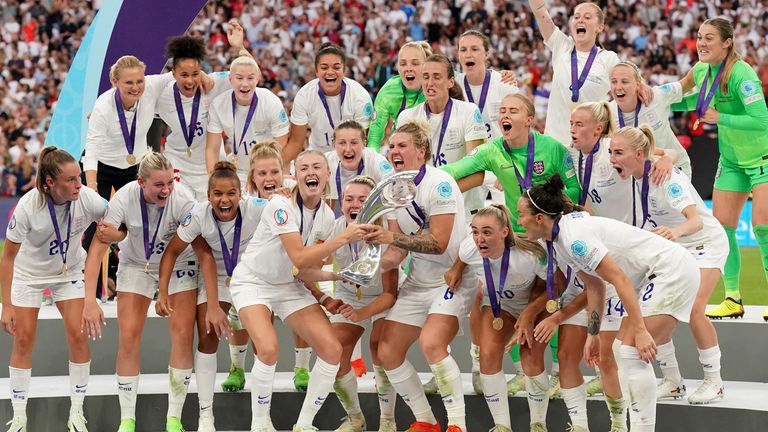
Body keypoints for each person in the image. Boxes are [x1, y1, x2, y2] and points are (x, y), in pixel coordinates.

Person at [517, 174, 699, 432]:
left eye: (521, 215)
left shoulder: (574, 238)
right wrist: (593, 334)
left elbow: (619, 279)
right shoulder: (561, 239)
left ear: (539, 218)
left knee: (630, 351)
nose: (518, 221)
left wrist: (640, 329)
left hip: (670, 270)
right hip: (661, 272)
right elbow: (595, 286)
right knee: (623, 351)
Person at [227, 150, 365, 432]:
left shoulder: (326, 216)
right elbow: (299, 257)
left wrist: (334, 279)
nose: (310, 172)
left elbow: (303, 270)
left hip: (289, 284)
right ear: (296, 176)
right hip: (253, 282)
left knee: (332, 350)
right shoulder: (280, 204)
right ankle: (260, 425)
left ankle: (303, 425)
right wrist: (343, 238)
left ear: (327, 174)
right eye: (304, 168)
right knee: (268, 349)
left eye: (317, 167)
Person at [361, 120, 477, 432]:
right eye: (391, 146)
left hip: (452, 278)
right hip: (418, 280)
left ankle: (457, 424)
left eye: (402, 146)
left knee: (431, 343)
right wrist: (368, 269)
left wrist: (391, 239)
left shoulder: (440, 183)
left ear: (421, 151)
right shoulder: (391, 188)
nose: (394, 151)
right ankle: (426, 420)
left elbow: (438, 244)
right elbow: (397, 252)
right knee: (387, 351)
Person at [610, 125, 729, 404]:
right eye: (611, 152)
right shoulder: (637, 172)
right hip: (673, 249)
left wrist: (674, 233)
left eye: (618, 153)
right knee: (657, 308)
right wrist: (668, 155)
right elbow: (664, 151)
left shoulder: (667, 178)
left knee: (695, 310)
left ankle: (715, 382)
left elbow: (695, 221)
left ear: (639, 154)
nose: (612, 159)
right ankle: (674, 382)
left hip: (705, 244)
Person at [81, 152, 198, 432]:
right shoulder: (123, 198)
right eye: (158, 184)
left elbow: (201, 243)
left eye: (169, 182)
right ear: (141, 182)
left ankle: (174, 419)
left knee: (183, 336)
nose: (166, 190)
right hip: (136, 264)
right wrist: (89, 300)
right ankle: (127, 420)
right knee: (129, 337)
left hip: (179, 262)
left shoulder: (184, 199)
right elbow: (97, 249)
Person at [1, 147, 108, 432]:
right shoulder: (28, 206)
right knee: (24, 341)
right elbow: (8, 258)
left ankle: (76, 412)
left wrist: (115, 235)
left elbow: (116, 219)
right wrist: (7, 305)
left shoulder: (86, 197)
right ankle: (19, 417)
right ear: (50, 182)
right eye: (71, 180)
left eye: (79, 177)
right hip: (28, 276)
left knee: (79, 336)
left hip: (68, 272)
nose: (78, 184)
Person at [155, 161, 265, 431]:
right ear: (208, 196)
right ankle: (206, 416)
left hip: (250, 276)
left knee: (264, 338)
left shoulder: (256, 208)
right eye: (217, 194)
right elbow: (171, 251)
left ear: (241, 194)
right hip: (215, 277)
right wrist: (163, 291)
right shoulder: (198, 215)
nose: (224, 200)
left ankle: (263, 418)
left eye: (231, 193)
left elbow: (288, 212)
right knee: (207, 336)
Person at [670, 18, 768, 321]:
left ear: (727, 42)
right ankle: (732, 298)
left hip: (763, 159)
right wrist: (654, 100)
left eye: (709, 37)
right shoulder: (702, 70)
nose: (701, 43)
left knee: (763, 228)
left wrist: (719, 118)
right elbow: (687, 99)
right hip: (731, 162)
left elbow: (762, 120)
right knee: (722, 230)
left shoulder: (742, 73)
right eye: (699, 36)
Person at [445, 204, 552, 432]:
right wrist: (456, 270)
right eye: (475, 231)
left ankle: (538, 424)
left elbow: (553, 288)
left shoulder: (531, 254)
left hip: (535, 305)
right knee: (488, 357)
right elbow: (462, 259)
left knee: (531, 359)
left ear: (504, 232)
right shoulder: (470, 247)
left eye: (487, 232)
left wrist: (529, 314)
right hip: (501, 306)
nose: (479, 239)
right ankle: (502, 426)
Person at [222, 141, 294, 393]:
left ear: (283, 173)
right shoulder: (244, 202)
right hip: (248, 271)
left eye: (274, 172)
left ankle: (300, 368)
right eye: (262, 173)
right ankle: (236, 368)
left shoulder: (292, 195)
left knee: (300, 308)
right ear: (252, 178)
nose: (269, 178)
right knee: (241, 315)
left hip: (284, 271)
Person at [328, 175, 398, 432]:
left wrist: (361, 314)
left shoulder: (386, 230)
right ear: (341, 202)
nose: (355, 204)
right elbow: (313, 263)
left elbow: (390, 294)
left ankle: (387, 421)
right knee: (333, 352)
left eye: (362, 200)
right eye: (349, 199)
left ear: (374, 204)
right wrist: (325, 296)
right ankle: (355, 419)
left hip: (384, 298)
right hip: (349, 295)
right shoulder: (335, 228)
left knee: (379, 346)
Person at [155, 22, 247, 201]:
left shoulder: (213, 84)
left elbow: (250, 75)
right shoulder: (162, 94)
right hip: (178, 166)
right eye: (184, 75)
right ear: (173, 73)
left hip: (212, 166)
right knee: (181, 212)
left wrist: (239, 47)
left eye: (195, 74)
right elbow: (131, 92)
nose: (190, 81)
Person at [397, 53, 487, 215]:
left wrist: (440, 193)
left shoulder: (468, 112)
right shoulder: (407, 117)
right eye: (426, 77)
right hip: (423, 211)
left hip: (465, 211)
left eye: (437, 77)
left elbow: (477, 172)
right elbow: (403, 169)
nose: (430, 83)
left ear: (451, 82)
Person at [527, 0, 621, 147]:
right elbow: (539, 11)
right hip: (554, 145)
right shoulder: (562, 46)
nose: (580, 20)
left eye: (587, 17)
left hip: (588, 147)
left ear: (600, 27)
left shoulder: (608, 59)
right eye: (576, 17)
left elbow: (629, 86)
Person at [283, 43, 374, 162]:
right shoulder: (304, 95)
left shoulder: (359, 96)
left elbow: (363, 143)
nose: (330, 72)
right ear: (316, 71)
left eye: (336, 67)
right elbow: (296, 143)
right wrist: (277, 166)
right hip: (318, 155)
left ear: (344, 70)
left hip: (351, 155)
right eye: (324, 67)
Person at [205, 56, 290, 181]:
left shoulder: (271, 102)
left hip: (269, 169)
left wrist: (282, 180)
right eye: (239, 78)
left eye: (250, 78)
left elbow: (283, 147)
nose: (245, 84)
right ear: (230, 79)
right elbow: (212, 149)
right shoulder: (218, 104)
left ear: (257, 79)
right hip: (238, 170)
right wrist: (213, 180)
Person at [608, 61, 692, 178]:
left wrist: (710, 59)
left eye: (625, 82)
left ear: (638, 84)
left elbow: (688, 81)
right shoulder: (608, 114)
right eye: (614, 82)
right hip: (637, 177)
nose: (618, 87)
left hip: (673, 168)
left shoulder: (656, 96)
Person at [367, 41, 432, 152]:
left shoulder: (435, 85)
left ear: (425, 66)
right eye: (403, 64)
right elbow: (375, 134)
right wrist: (371, 159)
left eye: (415, 63)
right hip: (401, 150)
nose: (408, 68)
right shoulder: (388, 92)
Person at [326, 120, 393, 214]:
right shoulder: (324, 162)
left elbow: (393, 183)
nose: (348, 149)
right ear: (333, 144)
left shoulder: (375, 160)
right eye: (342, 143)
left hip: (373, 216)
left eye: (354, 143)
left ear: (364, 143)